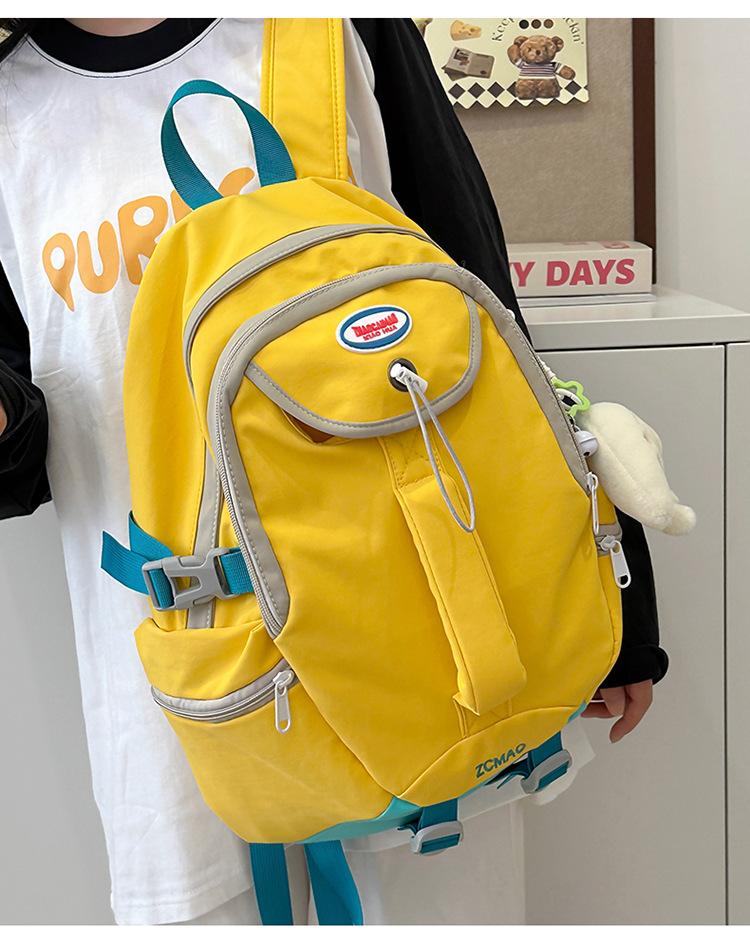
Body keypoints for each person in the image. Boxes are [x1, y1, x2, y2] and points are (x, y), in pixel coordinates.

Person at [0, 17, 667, 926]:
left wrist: (616, 597)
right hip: (190, 691)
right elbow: (27, 457)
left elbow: (484, 322)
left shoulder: (340, 24)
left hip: (437, 643)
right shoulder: (12, 106)